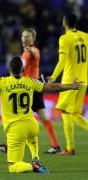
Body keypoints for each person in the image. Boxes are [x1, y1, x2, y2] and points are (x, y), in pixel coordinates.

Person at [0, 28, 61, 154]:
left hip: (30, 88)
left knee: (18, 117)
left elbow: (31, 56)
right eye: (23, 36)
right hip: (32, 87)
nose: (25, 39)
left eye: (28, 37)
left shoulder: (31, 51)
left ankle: (9, 145)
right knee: (42, 116)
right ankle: (56, 146)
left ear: (33, 39)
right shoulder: (26, 52)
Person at [48, 14, 88, 155]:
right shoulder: (85, 36)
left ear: (64, 23)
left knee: (66, 112)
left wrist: (53, 77)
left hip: (71, 82)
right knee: (75, 113)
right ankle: (70, 148)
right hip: (84, 80)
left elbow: (62, 61)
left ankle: (70, 148)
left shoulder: (65, 38)